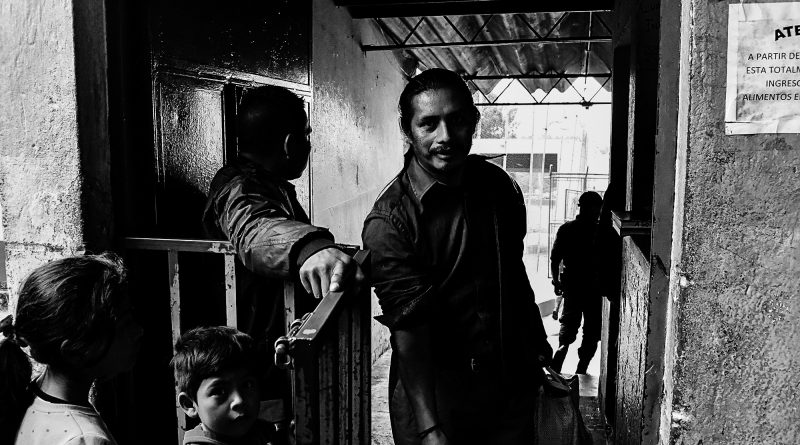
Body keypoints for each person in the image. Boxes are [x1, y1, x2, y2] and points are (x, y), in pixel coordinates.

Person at [362, 68, 552, 445]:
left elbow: (513, 276)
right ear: (407, 129)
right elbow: (410, 333)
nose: (445, 136)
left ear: (474, 121)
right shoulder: (391, 221)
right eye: (428, 124)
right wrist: (429, 428)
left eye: (457, 120)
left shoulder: (499, 187)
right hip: (437, 400)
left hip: (510, 387)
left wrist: (539, 353)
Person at [202, 85, 364, 423]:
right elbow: (254, 228)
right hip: (254, 351)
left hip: (260, 345)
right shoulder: (241, 187)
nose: (309, 144)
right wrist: (310, 248)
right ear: (291, 143)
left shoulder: (262, 183)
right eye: (306, 134)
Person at [0, 253, 142, 445]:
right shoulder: (85, 438)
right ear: (76, 351)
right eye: (125, 323)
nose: (138, 331)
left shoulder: (25, 398)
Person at [172, 326, 274, 445]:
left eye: (247, 385)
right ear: (190, 404)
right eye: (219, 391)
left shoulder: (265, 433)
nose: (239, 401)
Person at [550, 191, 604, 374]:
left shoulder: (567, 229)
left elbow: (555, 259)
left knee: (567, 329)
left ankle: (556, 368)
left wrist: (557, 282)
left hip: (573, 286)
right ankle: (581, 370)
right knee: (591, 333)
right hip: (594, 289)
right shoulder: (601, 231)